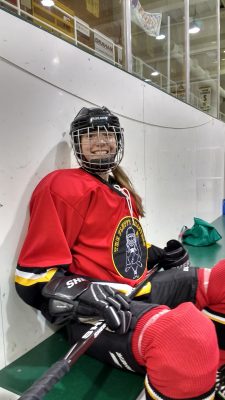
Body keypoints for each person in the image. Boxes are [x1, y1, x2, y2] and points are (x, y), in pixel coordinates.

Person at [15, 106, 225, 399]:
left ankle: (217, 367)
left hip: (136, 290)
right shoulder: (62, 187)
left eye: (107, 134)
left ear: (118, 140)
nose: (100, 140)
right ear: (78, 144)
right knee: (185, 339)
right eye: (90, 135)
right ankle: (196, 369)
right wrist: (82, 295)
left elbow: (117, 250)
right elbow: (29, 279)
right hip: (102, 314)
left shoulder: (121, 190)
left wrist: (158, 254)